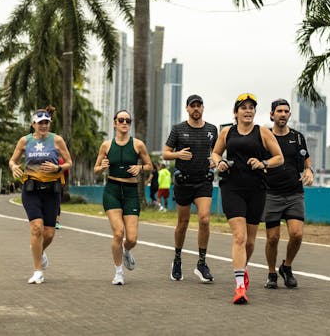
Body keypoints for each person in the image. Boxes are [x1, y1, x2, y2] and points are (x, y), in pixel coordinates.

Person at [211, 93, 283, 304]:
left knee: (250, 241)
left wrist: (264, 164)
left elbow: (279, 157)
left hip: (256, 189)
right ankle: (240, 286)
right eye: (244, 107)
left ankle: (242, 268)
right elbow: (215, 154)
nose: (248, 110)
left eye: (251, 107)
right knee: (239, 237)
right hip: (232, 187)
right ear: (236, 112)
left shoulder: (262, 132)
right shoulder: (227, 132)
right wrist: (219, 163)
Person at [9, 106, 72, 284]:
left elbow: (69, 162)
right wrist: (14, 166)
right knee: (36, 228)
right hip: (31, 190)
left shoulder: (57, 140)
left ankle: (40, 251)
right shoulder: (24, 141)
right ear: (33, 124)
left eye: (46, 123)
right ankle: (38, 271)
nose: (43, 126)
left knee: (49, 233)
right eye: (40, 123)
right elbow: (13, 160)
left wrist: (57, 168)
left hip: (52, 190)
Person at [162, 94, 218, 283]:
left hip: (203, 181)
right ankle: (177, 259)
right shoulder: (178, 129)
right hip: (183, 182)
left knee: (204, 219)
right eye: (192, 106)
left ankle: (201, 263)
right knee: (183, 223)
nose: (196, 109)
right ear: (187, 108)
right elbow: (165, 153)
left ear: (203, 108)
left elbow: (218, 151)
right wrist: (178, 154)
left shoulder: (212, 129)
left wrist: (215, 161)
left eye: (199, 105)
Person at [93, 109, 152, 285]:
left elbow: (149, 165)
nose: (124, 123)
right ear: (115, 123)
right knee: (118, 233)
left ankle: (126, 251)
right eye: (121, 120)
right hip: (112, 190)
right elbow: (96, 169)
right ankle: (118, 272)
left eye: (128, 120)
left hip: (131, 192)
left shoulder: (138, 145)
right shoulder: (106, 145)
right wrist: (102, 167)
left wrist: (140, 168)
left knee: (132, 238)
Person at [262, 99, 314, 289]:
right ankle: (271, 273)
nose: (283, 114)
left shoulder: (298, 137)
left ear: (289, 115)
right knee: (273, 238)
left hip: (294, 194)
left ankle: (287, 266)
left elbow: (306, 159)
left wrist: (309, 171)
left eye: (286, 111)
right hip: (271, 194)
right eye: (279, 111)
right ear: (272, 115)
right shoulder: (264, 136)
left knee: (297, 234)